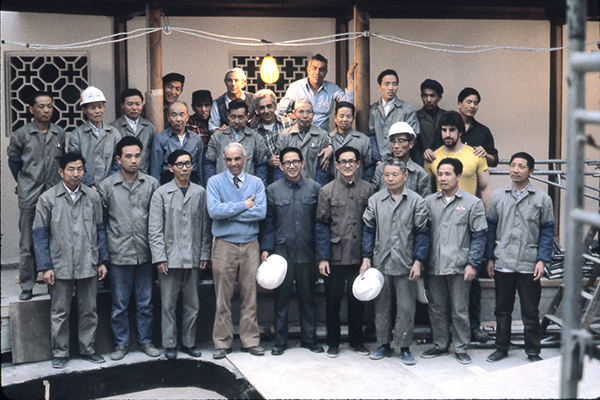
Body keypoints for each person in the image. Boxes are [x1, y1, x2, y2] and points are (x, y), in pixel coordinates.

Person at [32, 151, 109, 369]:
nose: (76, 174)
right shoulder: (48, 199)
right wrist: (45, 267)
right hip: (60, 263)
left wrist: (102, 261)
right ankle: (60, 352)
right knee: (59, 311)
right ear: (61, 172)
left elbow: (100, 230)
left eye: (80, 169)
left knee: (89, 309)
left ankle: (88, 348)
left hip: (88, 261)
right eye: (71, 169)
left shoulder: (92, 197)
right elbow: (39, 234)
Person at [423, 111, 493, 343]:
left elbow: (485, 188)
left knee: (469, 286)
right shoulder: (433, 157)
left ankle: (471, 331)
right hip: (441, 223)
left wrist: (487, 219)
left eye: (452, 130)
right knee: (438, 298)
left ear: (461, 131)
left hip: (468, 219)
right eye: (444, 130)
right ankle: (441, 341)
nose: (447, 134)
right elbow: (426, 189)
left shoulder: (475, 154)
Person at [485, 152, 554, 363]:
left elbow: (547, 231)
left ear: (531, 171)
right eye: (513, 165)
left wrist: (542, 260)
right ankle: (501, 347)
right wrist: (490, 257)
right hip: (503, 260)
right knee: (502, 309)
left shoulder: (542, 199)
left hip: (529, 262)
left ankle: (533, 351)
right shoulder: (498, 196)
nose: (515, 170)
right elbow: (491, 228)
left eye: (521, 166)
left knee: (530, 311)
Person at [97, 136, 161, 361]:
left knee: (145, 303)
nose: (134, 161)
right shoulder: (107, 186)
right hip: (119, 254)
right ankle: (121, 343)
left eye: (137, 156)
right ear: (118, 159)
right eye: (128, 156)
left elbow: (157, 219)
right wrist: (103, 257)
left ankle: (146, 341)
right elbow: (101, 224)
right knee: (119, 304)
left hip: (145, 253)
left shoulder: (151, 184)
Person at [361, 158, 429, 366]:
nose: (390, 179)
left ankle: (404, 346)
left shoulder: (417, 201)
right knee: (381, 306)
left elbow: (422, 233)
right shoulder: (375, 200)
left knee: (406, 308)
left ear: (405, 176)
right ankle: (383, 344)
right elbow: (368, 230)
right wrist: (366, 258)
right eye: (386, 175)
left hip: (406, 263)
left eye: (394, 175)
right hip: (381, 261)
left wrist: (418, 261)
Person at [421, 158, 487, 365]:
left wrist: (473, 263)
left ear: (458, 176)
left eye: (447, 174)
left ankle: (460, 347)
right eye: (440, 174)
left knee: (460, 310)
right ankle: (440, 344)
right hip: (434, 263)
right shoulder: (429, 202)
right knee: (436, 307)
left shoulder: (472, 203)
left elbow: (479, 235)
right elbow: (422, 233)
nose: (443, 178)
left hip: (460, 265)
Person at [148, 149, 212, 360]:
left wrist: (204, 254)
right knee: (168, 305)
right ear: (170, 168)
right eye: (179, 164)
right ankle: (169, 344)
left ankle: (189, 342)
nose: (185, 168)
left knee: (192, 304)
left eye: (188, 164)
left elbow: (205, 227)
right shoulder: (161, 193)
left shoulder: (200, 193)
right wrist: (159, 257)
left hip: (193, 257)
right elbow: (155, 229)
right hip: (169, 259)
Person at [260, 147, 323, 355]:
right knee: (281, 300)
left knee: (308, 299)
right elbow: (268, 222)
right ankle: (280, 341)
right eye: (287, 162)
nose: (292, 166)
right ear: (281, 166)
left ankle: (309, 339)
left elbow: (320, 223)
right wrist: (266, 248)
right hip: (281, 255)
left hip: (307, 253)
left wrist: (320, 254)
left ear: (303, 163)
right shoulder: (272, 190)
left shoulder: (315, 188)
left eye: (296, 162)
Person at [207, 143, 267, 359]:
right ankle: (222, 342)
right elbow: (214, 211)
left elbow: (260, 213)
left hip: (250, 244)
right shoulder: (214, 182)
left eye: (237, 159)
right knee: (222, 296)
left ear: (245, 158)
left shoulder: (256, 183)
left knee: (249, 294)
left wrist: (229, 210)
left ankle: (250, 340)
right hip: (224, 244)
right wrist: (244, 205)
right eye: (229, 159)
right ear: (224, 160)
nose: (233, 163)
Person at [8, 90, 66, 301]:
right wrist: (25, 182)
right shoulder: (21, 134)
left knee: (56, 238)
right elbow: (14, 162)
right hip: (30, 194)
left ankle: (56, 284)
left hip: (53, 193)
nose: (46, 110)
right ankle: (27, 285)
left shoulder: (59, 133)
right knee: (27, 242)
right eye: (41, 106)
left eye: (49, 106)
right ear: (31, 109)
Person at [315, 146, 373, 358]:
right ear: (337, 165)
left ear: (358, 164)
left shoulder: (367, 189)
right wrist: (322, 257)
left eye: (351, 161)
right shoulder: (327, 190)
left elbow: (370, 226)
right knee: (333, 302)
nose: (347, 165)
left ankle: (357, 341)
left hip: (358, 256)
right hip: (335, 255)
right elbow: (321, 225)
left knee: (357, 301)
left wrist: (367, 256)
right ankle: (333, 342)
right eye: (343, 162)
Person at [277, 54, 355, 131]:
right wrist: (288, 120)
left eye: (321, 69)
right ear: (308, 69)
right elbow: (279, 111)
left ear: (326, 72)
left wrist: (350, 78)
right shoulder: (295, 87)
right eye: (314, 68)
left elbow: (348, 105)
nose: (317, 72)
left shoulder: (332, 88)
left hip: (322, 136)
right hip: (300, 135)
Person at [425, 87, 498, 168]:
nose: (472, 106)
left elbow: (494, 161)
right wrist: (429, 152)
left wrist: (485, 155)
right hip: (448, 172)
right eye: (469, 102)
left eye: (476, 103)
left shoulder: (483, 131)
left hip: (473, 173)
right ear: (459, 104)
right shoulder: (446, 127)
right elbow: (435, 151)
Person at [68, 86, 121, 187]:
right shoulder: (77, 134)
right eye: (93, 108)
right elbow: (74, 162)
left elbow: (119, 161)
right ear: (84, 110)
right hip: (85, 187)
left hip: (111, 187)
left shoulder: (114, 133)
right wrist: (88, 184)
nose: (97, 111)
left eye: (100, 107)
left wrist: (109, 183)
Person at [205, 99, 268, 184]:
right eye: (233, 117)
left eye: (240, 117)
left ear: (247, 117)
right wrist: (212, 186)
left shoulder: (256, 139)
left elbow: (261, 167)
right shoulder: (217, 138)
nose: (236, 121)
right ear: (228, 115)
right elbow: (209, 165)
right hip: (222, 187)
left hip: (247, 187)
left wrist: (258, 187)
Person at [276, 98, 333, 186]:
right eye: (301, 112)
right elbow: (279, 168)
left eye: (308, 112)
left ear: (313, 114)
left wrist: (317, 189)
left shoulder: (321, 136)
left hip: (313, 187)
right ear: (294, 114)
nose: (305, 116)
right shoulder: (285, 136)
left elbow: (323, 169)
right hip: (289, 187)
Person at [368, 69, 420, 166]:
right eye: (387, 84)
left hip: (400, 163)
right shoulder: (373, 110)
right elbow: (371, 136)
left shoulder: (407, 109)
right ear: (379, 87)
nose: (390, 88)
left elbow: (413, 137)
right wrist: (377, 160)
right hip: (377, 163)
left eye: (394, 84)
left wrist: (395, 161)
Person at [371, 121, 431, 199]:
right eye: (393, 141)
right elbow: (374, 198)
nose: (396, 146)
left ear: (411, 144)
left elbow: (424, 203)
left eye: (401, 141)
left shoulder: (420, 174)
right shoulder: (381, 169)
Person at [150, 101, 204, 186]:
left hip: (191, 181)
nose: (178, 119)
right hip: (168, 181)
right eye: (174, 115)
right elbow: (155, 169)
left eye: (182, 115)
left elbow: (200, 168)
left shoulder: (196, 139)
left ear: (187, 117)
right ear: (168, 117)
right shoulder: (160, 139)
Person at [110, 88, 155, 174]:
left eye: (138, 104)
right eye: (130, 104)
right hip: (121, 175)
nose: (134, 108)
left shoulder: (149, 127)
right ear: (122, 105)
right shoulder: (113, 128)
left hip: (144, 175)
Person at [253, 89, 290, 185]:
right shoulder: (253, 130)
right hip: (265, 178)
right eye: (262, 108)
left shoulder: (288, 123)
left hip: (289, 176)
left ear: (275, 106)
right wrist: (267, 162)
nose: (266, 111)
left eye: (269, 106)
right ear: (256, 110)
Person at [329, 101, 372, 181]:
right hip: (333, 186)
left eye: (348, 116)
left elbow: (369, 166)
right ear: (335, 118)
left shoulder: (363, 140)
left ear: (353, 118)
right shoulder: (328, 139)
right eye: (341, 116)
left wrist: (365, 185)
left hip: (357, 186)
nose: (345, 119)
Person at [209, 68, 255, 133]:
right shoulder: (218, 103)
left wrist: (257, 117)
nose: (233, 84)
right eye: (229, 80)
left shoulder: (253, 99)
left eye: (236, 80)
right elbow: (212, 128)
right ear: (225, 82)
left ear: (244, 83)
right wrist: (220, 131)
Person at [416, 79, 447, 155]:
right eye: (425, 96)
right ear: (421, 96)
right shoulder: (415, 117)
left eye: (432, 96)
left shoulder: (446, 116)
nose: (428, 100)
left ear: (439, 97)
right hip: (423, 159)